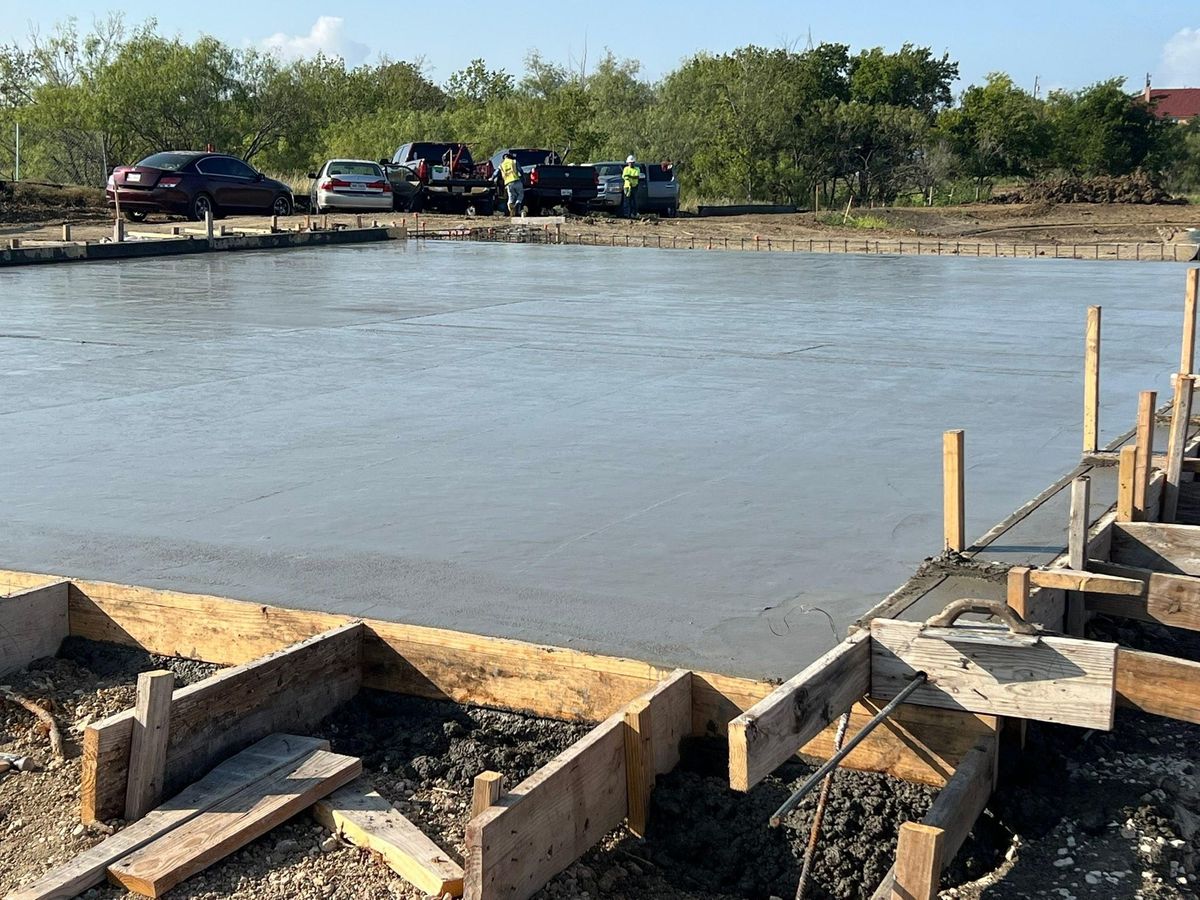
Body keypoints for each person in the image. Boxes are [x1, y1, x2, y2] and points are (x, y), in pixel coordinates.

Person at [499, 151, 524, 217]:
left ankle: (510, 206)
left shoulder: (501, 165)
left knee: (511, 196)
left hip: (508, 184)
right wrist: (523, 179)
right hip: (516, 181)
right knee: (520, 194)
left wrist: (491, 179)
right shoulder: (514, 162)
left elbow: (496, 173)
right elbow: (520, 171)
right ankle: (517, 204)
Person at [621, 155, 641, 219]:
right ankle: (627, 215)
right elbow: (624, 176)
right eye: (629, 162)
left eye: (632, 162)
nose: (630, 164)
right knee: (627, 201)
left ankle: (634, 213)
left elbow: (637, 176)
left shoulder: (637, 169)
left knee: (634, 201)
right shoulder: (626, 169)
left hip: (634, 186)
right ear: (628, 163)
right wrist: (630, 177)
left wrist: (629, 176)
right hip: (627, 187)